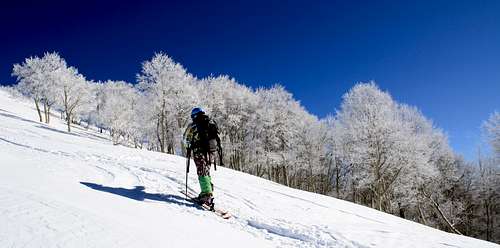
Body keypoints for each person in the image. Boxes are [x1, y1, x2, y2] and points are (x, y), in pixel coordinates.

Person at [183, 107, 222, 205]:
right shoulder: (211, 123)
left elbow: (186, 140)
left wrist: (188, 147)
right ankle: (208, 189)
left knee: (202, 171)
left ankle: (206, 195)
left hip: (200, 152)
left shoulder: (193, 126)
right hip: (212, 152)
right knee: (206, 170)